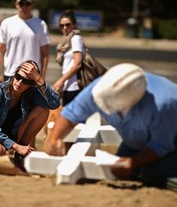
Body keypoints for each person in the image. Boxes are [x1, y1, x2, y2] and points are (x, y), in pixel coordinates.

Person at [44, 63, 177, 187]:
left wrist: (131, 163)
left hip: (172, 140)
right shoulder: (101, 88)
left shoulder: (163, 104)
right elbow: (70, 115)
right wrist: (55, 137)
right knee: (120, 171)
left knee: (153, 175)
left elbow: (160, 145)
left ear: (128, 103)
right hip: (136, 140)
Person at [0, 60, 60, 163]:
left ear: (31, 85)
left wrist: (38, 79)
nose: (20, 82)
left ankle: (19, 155)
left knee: (43, 110)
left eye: (26, 81)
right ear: (14, 75)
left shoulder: (30, 93)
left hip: (12, 136)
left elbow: (54, 104)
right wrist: (17, 147)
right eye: (18, 77)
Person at [0, 0, 50, 84]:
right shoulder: (7, 23)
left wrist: (41, 77)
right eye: (21, 3)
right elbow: (0, 50)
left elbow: (45, 53)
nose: (24, 7)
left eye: (27, 4)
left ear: (32, 5)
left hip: (32, 75)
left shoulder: (41, 24)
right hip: (10, 74)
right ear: (16, 5)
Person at [52, 10, 86, 106]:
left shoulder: (75, 39)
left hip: (75, 86)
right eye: (62, 26)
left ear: (74, 25)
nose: (65, 28)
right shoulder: (67, 41)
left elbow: (77, 63)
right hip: (69, 86)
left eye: (68, 25)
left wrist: (61, 81)